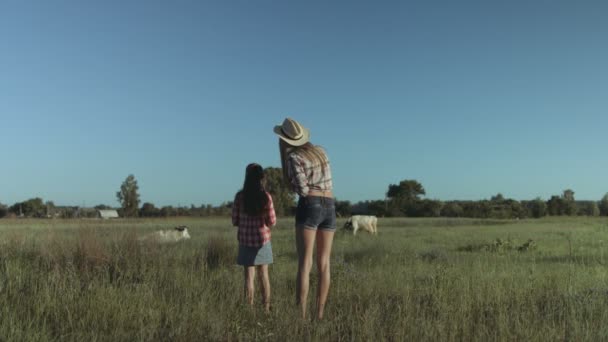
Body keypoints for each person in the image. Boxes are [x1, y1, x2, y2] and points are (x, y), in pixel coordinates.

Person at [274, 117, 336, 320]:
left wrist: (283, 155)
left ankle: (300, 317)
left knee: (305, 263)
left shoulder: (294, 157)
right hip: (330, 204)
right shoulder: (320, 150)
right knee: (324, 263)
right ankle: (319, 314)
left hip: (310, 205)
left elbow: (302, 190)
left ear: (286, 140)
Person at [232, 163, 276, 312]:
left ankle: (249, 309)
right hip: (262, 240)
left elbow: (234, 220)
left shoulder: (239, 197)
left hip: (245, 240)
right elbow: (272, 221)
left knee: (248, 277)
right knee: (264, 275)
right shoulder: (266, 197)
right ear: (261, 177)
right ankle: (266, 308)